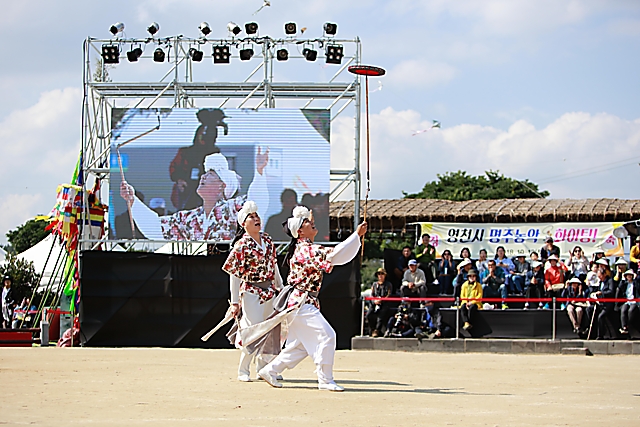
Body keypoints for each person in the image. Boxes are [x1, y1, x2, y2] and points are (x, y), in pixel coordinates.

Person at [255, 206, 367, 391]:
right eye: (307, 222)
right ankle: (325, 379)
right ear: (299, 231)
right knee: (327, 335)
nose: (311, 223)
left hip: (300, 302)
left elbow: (333, 255)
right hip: (301, 303)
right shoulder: (306, 249)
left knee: (298, 346)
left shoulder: (305, 248)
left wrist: (356, 237)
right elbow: (334, 255)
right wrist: (356, 235)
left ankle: (270, 370)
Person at [120, 151, 270, 241]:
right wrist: (133, 200)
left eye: (210, 174)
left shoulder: (233, 208)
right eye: (204, 174)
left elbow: (257, 203)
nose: (202, 177)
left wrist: (259, 172)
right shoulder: (190, 218)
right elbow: (155, 228)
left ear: (222, 186)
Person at [221, 201, 283, 382]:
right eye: (251, 217)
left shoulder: (268, 240)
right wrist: (234, 302)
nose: (256, 219)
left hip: (270, 291)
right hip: (251, 292)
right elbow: (234, 274)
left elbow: (274, 265)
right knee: (253, 329)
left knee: (269, 330)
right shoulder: (241, 246)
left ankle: (264, 368)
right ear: (243, 223)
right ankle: (243, 368)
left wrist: (280, 287)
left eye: (257, 216)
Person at [169, 108, 228, 211]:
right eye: (204, 137)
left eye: (212, 137)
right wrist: (179, 179)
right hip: (187, 192)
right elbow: (174, 167)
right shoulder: (186, 152)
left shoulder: (215, 155)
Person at [588, 261, 617, 340]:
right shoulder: (600, 282)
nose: (599, 277)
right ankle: (591, 331)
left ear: (604, 274)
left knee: (601, 316)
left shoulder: (610, 281)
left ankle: (600, 335)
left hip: (608, 303)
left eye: (600, 275)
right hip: (600, 302)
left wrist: (602, 293)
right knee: (589, 310)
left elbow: (611, 292)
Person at [366, 268, 393, 337]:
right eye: (379, 274)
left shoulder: (388, 284)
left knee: (381, 316)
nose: (380, 276)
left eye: (382, 274)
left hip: (384, 303)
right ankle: (372, 329)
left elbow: (389, 295)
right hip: (375, 303)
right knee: (368, 315)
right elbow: (372, 294)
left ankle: (377, 330)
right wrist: (374, 301)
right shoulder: (374, 284)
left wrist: (381, 300)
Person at [617, 269, 640, 335]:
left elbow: (638, 288)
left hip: (634, 301)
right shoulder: (624, 283)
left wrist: (635, 279)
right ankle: (624, 327)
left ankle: (629, 325)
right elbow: (619, 287)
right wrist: (623, 279)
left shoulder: (635, 283)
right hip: (627, 301)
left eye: (630, 275)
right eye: (628, 275)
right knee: (623, 310)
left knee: (631, 311)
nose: (629, 277)